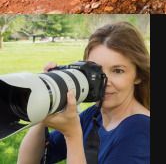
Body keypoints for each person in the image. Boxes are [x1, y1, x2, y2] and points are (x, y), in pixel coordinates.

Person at [17, 22, 150, 164]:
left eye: (118, 71)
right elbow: (29, 161)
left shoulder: (141, 130)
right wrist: (47, 104)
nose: (104, 82)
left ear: (138, 75)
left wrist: (72, 135)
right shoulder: (94, 116)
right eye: (96, 71)